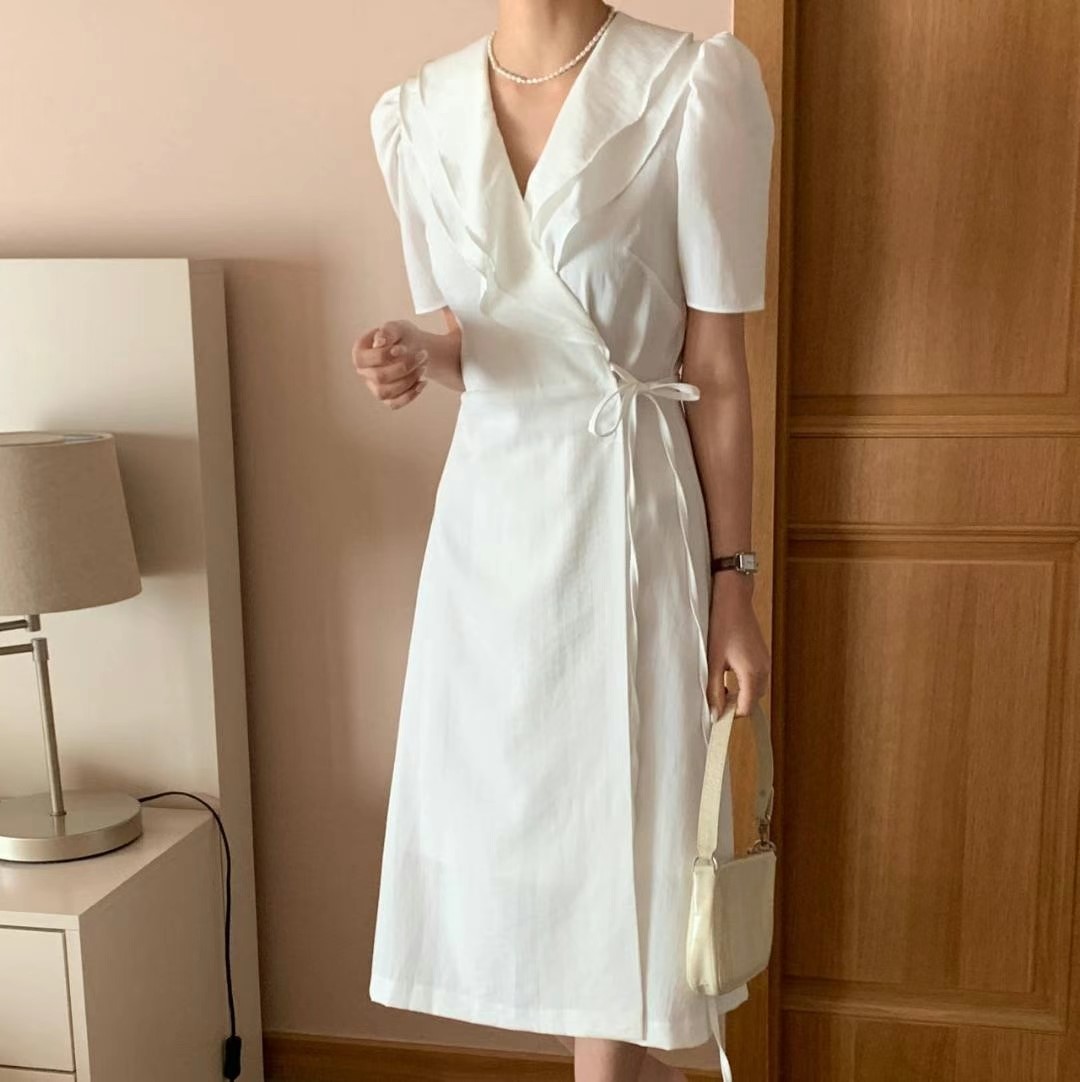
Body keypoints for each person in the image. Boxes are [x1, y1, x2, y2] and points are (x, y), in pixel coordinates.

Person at [353, 2, 773, 1079]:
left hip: (628, 508)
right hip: (490, 531)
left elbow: (716, 370)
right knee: (521, 845)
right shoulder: (417, 113)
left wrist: (734, 582)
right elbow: (484, 337)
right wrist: (419, 352)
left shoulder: (690, 88)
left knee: (621, 841)